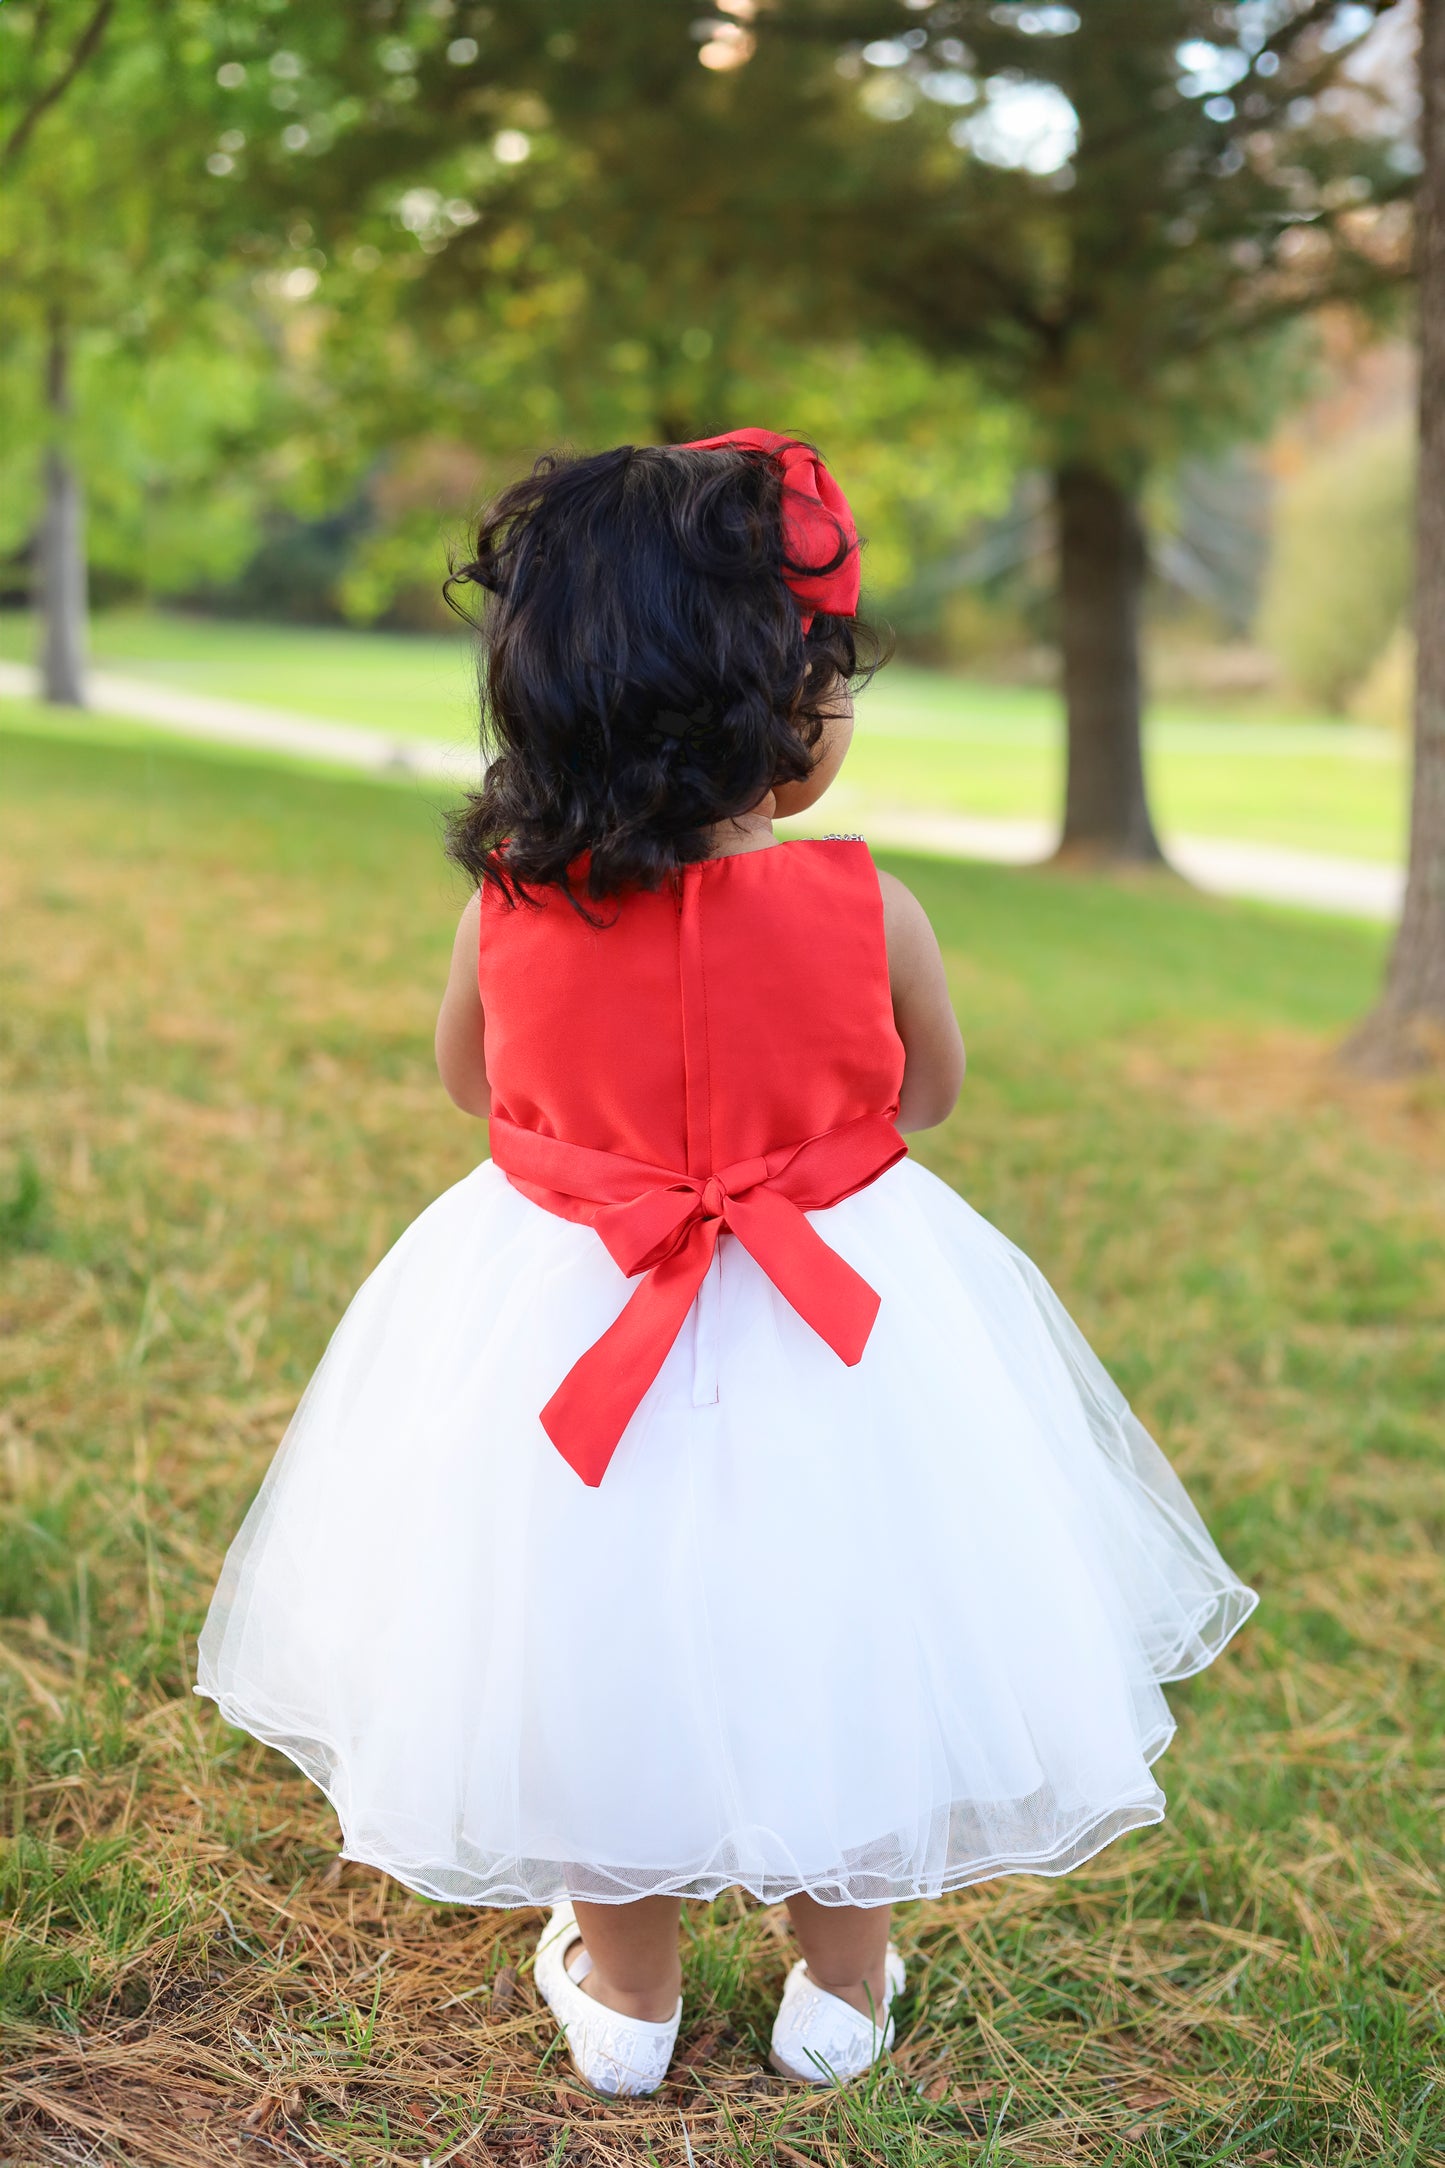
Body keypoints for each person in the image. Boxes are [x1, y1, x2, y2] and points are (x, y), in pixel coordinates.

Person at [196, 430, 1256, 2097]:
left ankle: (624, 1998)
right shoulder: (870, 910)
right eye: (825, 678)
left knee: (576, 1629)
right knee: (848, 1617)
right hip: (833, 1330)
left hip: (572, 1309)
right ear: (768, 710)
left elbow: (475, 1091)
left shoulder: (506, 913)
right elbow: (927, 1093)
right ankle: (840, 1989)